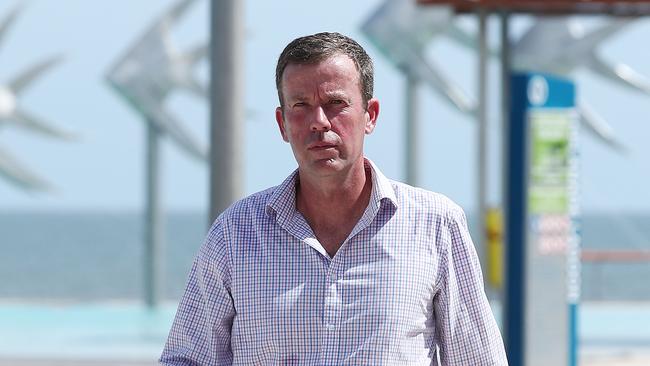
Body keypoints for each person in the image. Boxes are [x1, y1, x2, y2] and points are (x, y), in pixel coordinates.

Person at [160, 32, 508, 365]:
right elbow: (187, 359)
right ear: (282, 124)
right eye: (301, 105)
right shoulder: (235, 234)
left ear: (370, 115)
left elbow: (478, 359)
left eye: (335, 103)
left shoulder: (435, 223)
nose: (319, 122)